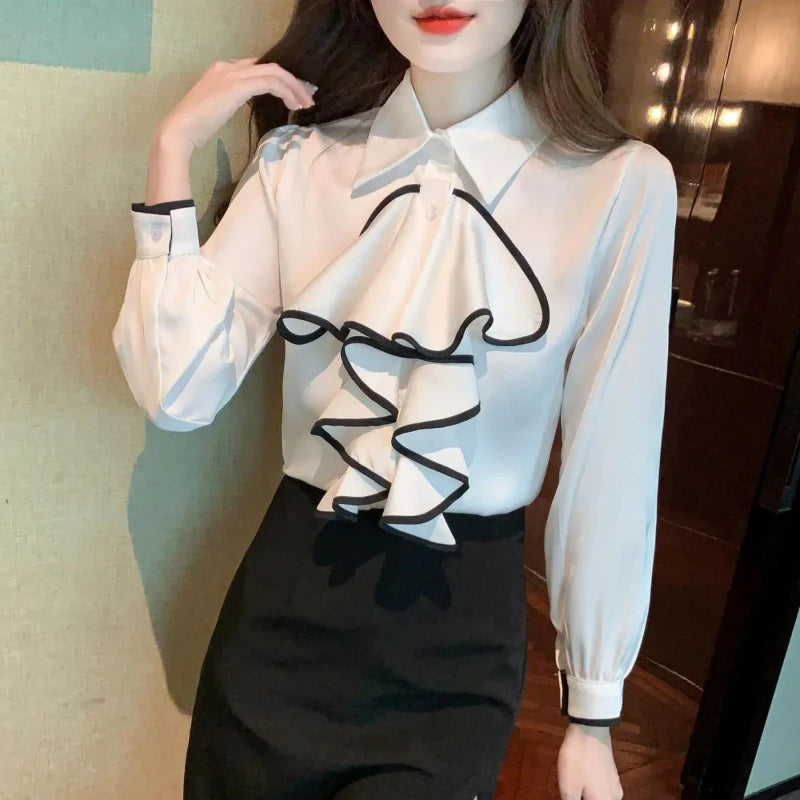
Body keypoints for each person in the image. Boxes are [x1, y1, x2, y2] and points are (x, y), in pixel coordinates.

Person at [111, 0, 677, 798]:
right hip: (281, 623)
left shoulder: (621, 185)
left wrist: (593, 709)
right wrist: (172, 151)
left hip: (457, 644)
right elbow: (177, 392)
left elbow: (613, 462)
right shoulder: (298, 162)